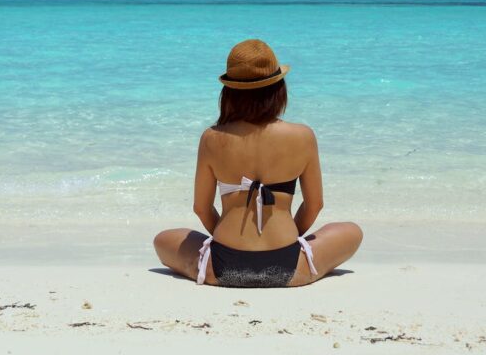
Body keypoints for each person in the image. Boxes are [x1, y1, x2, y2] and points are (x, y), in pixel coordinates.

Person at [153, 39, 363, 287]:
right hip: (289, 265)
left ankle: (220, 263)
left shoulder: (213, 137)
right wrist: (287, 239)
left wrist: (231, 240)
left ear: (229, 92)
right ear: (278, 89)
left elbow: (201, 208)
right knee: (351, 231)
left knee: (163, 239)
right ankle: (296, 261)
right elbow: (314, 205)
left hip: (222, 265)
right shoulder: (302, 136)